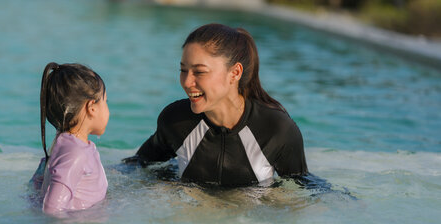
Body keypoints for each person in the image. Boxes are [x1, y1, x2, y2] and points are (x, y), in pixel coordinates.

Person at [123, 23, 308, 186]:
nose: (187, 82)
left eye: (199, 72)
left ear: (235, 73)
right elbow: (137, 165)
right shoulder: (175, 121)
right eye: (183, 70)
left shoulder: (276, 129)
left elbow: (303, 189)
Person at [32, 62, 109, 216]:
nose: (107, 109)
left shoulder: (63, 144)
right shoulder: (75, 154)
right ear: (92, 107)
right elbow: (52, 209)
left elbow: (37, 183)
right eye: (105, 102)